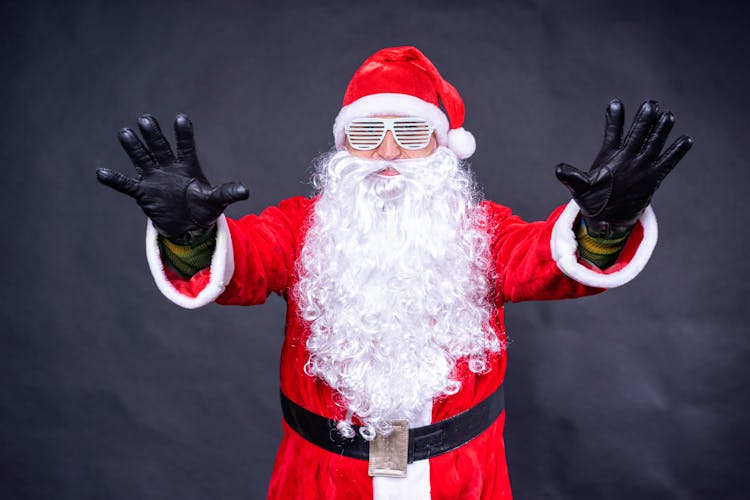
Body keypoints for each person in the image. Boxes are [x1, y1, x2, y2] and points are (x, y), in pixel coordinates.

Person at [96, 46, 692, 499]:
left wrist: (605, 226)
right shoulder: (301, 226)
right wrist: (190, 236)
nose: (386, 152)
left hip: (464, 477)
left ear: (442, 150)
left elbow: (548, 260)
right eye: (366, 132)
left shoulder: (481, 228)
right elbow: (243, 262)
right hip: (321, 478)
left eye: (409, 133)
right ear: (342, 147)